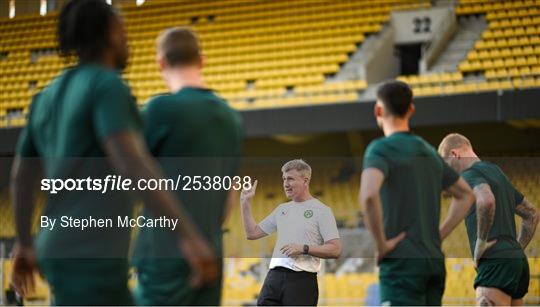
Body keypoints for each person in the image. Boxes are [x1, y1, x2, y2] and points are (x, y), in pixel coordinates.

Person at [10, 1, 216, 304]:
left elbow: (21, 176)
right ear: (109, 32)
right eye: (124, 31)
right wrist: (188, 236)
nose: (127, 41)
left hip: (57, 245)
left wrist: (25, 243)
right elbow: (132, 164)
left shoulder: (46, 96)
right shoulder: (107, 86)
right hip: (90, 251)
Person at [132, 27, 244, 305]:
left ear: (161, 63)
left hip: (163, 260)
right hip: (210, 257)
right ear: (202, 60)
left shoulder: (160, 110)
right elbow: (229, 195)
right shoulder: (231, 118)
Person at [359, 80, 475, 305]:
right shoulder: (429, 152)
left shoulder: (380, 148)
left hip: (402, 264)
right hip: (433, 262)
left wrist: (381, 245)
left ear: (378, 110)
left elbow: (368, 196)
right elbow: (467, 195)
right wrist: (437, 236)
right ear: (411, 109)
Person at [438, 133, 538, 306]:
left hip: (493, 264)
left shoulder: (468, 175)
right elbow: (532, 214)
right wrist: (513, 251)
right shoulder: (496, 172)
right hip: (518, 265)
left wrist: (480, 245)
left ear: (454, 154)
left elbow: (486, 201)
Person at [240, 159, 341, 306]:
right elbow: (252, 233)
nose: (286, 184)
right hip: (273, 277)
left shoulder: (322, 211)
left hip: (301, 280)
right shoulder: (282, 209)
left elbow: (335, 249)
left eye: (291, 179)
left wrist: (303, 248)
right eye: (284, 179)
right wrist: (245, 204)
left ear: (305, 180)